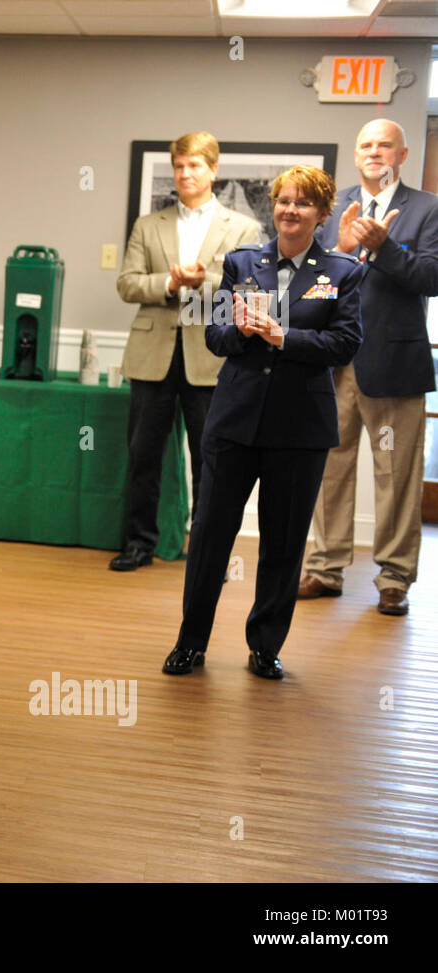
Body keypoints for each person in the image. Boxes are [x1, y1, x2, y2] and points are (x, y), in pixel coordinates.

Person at [162, 166, 363, 680]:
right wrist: (245, 332)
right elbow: (215, 335)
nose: (290, 210)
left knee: (284, 541)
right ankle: (190, 643)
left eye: (302, 203)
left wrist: (282, 338)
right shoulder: (242, 262)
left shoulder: (342, 272)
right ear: (273, 207)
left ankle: (264, 646)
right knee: (209, 536)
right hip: (234, 424)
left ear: (321, 214)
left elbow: (344, 345)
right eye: (283, 201)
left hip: (300, 432)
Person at [299, 119, 438, 616]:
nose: (374, 151)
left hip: (395, 364)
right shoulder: (333, 207)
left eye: (385, 145)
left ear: (402, 155)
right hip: (332, 363)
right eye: (366, 145)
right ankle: (324, 566)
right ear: (356, 155)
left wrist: (384, 247)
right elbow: (310, 286)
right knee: (328, 469)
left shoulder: (427, 208)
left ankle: (394, 578)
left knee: (395, 475)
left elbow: (431, 277)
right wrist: (334, 255)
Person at [111, 132, 263, 571]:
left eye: (194, 165)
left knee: (210, 459)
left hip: (211, 358)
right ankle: (139, 544)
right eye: (178, 166)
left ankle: (206, 547)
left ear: (213, 171)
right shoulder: (148, 224)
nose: (185, 174)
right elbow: (127, 284)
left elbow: (249, 291)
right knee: (143, 457)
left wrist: (205, 284)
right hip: (151, 354)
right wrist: (170, 284)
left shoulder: (244, 228)